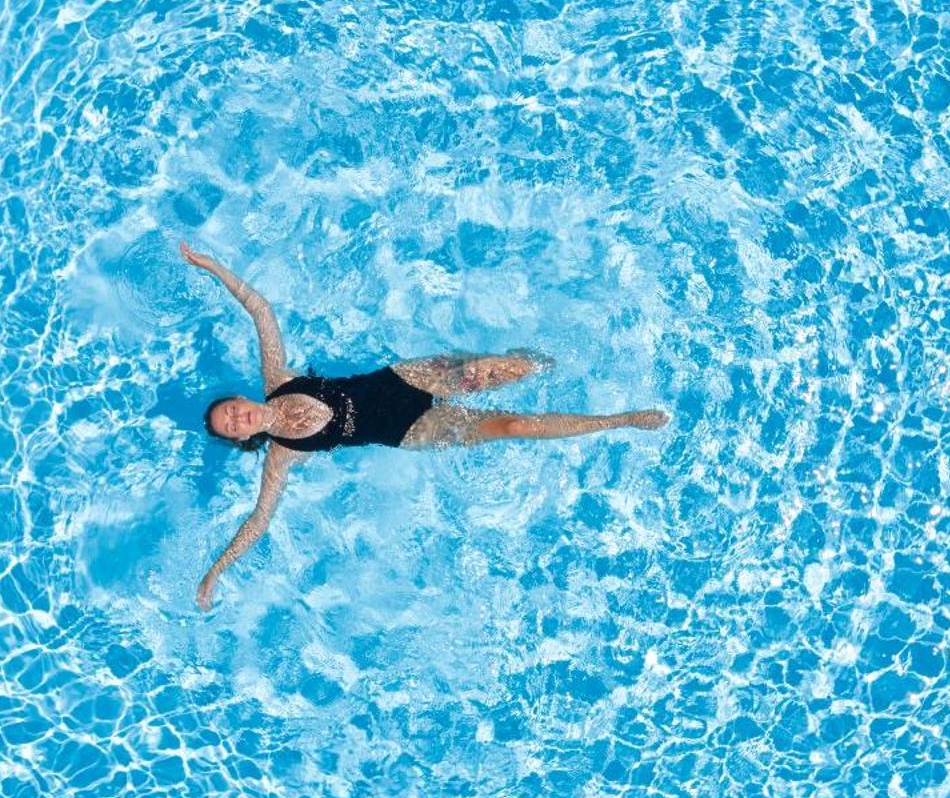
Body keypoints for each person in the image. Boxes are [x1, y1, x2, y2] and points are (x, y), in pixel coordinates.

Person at [183, 242, 669, 608]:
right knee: (515, 425)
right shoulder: (282, 455)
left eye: (231, 410)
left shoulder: (278, 378)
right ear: (244, 437)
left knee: (505, 370)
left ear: (242, 399)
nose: (237, 418)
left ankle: (544, 361)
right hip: (413, 431)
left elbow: (260, 311)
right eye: (231, 427)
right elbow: (258, 521)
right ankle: (621, 419)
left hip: (403, 380)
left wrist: (211, 268)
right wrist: (215, 572)